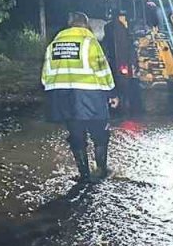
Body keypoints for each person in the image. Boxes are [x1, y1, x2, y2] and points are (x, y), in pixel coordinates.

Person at [42, 12, 117, 181]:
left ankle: (84, 175)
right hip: (91, 96)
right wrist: (112, 93)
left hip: (63, 97)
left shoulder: (54, 43)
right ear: (85, 24)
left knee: (76, 136)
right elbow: (102, 69)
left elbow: (46, 74)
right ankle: (102, 171)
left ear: (70, 24)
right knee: (100, 135)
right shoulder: (90, 42)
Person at [102, 10, 142, 117]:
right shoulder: (120, 28)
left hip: (118, 62)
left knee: (123, 86)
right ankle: (125, 108)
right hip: (121, 62)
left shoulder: (112, 27)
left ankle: (122, 107)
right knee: (124, 87)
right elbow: (127, 46)